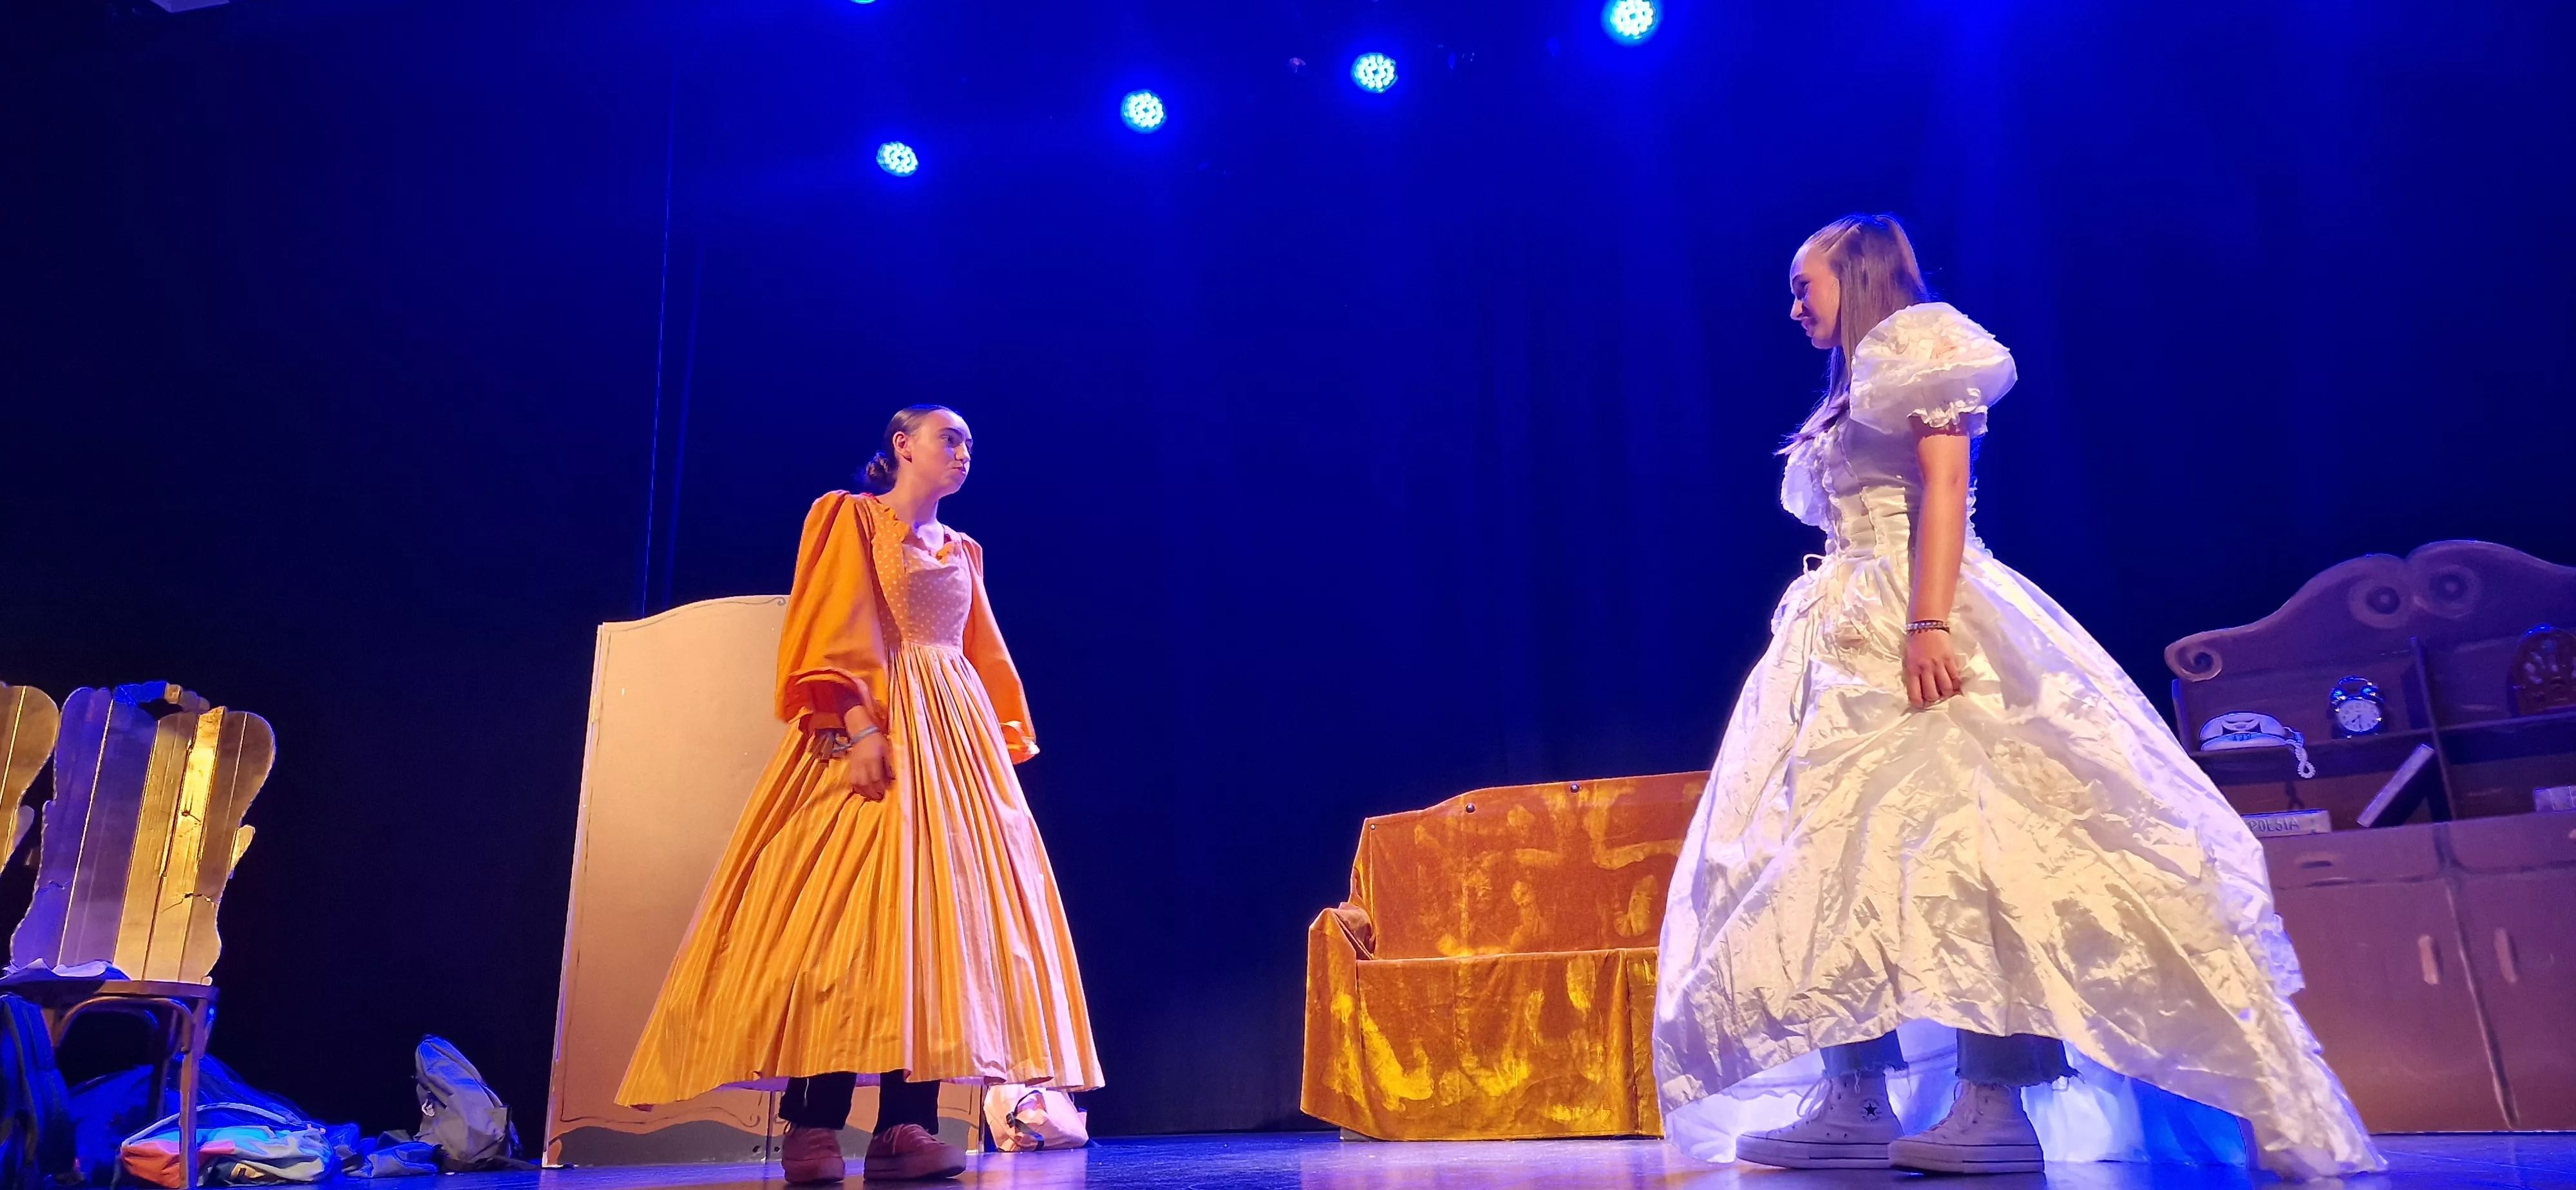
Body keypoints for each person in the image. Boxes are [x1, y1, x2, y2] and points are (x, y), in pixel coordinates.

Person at [1650, 215, 2382, 1180]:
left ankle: (1995, 1101)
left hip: (1919, 612)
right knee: (1817, 859)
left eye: (1804, 285)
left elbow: (1944, 489)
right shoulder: (1855, 378)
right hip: (1837, 638)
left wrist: (1927, 624)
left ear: (1857, 277)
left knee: (1980, 847)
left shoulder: (1922, 344)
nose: (1793, 307)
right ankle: (1855, 1094)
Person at [618, 405, 1103, 1182]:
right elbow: (831, 624)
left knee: (939, 925)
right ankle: (814, 1122)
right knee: (839, 920)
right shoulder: (850, 519)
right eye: (949, 439)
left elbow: (977, 652)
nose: (964, 453)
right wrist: (858, 727)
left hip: (953, 740)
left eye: (970, 444)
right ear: (902, 445)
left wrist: (989, 747)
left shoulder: (963, 549)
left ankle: (904, 1128)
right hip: (876, 719)